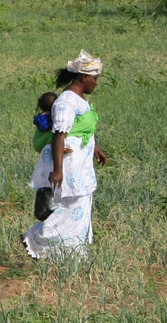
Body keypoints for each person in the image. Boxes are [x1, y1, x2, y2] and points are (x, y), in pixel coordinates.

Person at [23, 50, 107, 260]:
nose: (96, 83)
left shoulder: (80, 99)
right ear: (83, 77)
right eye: (94, 78)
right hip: (68, 164)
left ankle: (70, 256)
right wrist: (58, 171)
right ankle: (37, 240)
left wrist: (95, 148)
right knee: (69, 208)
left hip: (79, 164)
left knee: (78, 207)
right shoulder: (66, 101)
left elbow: (81, 128)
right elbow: (59, 135)